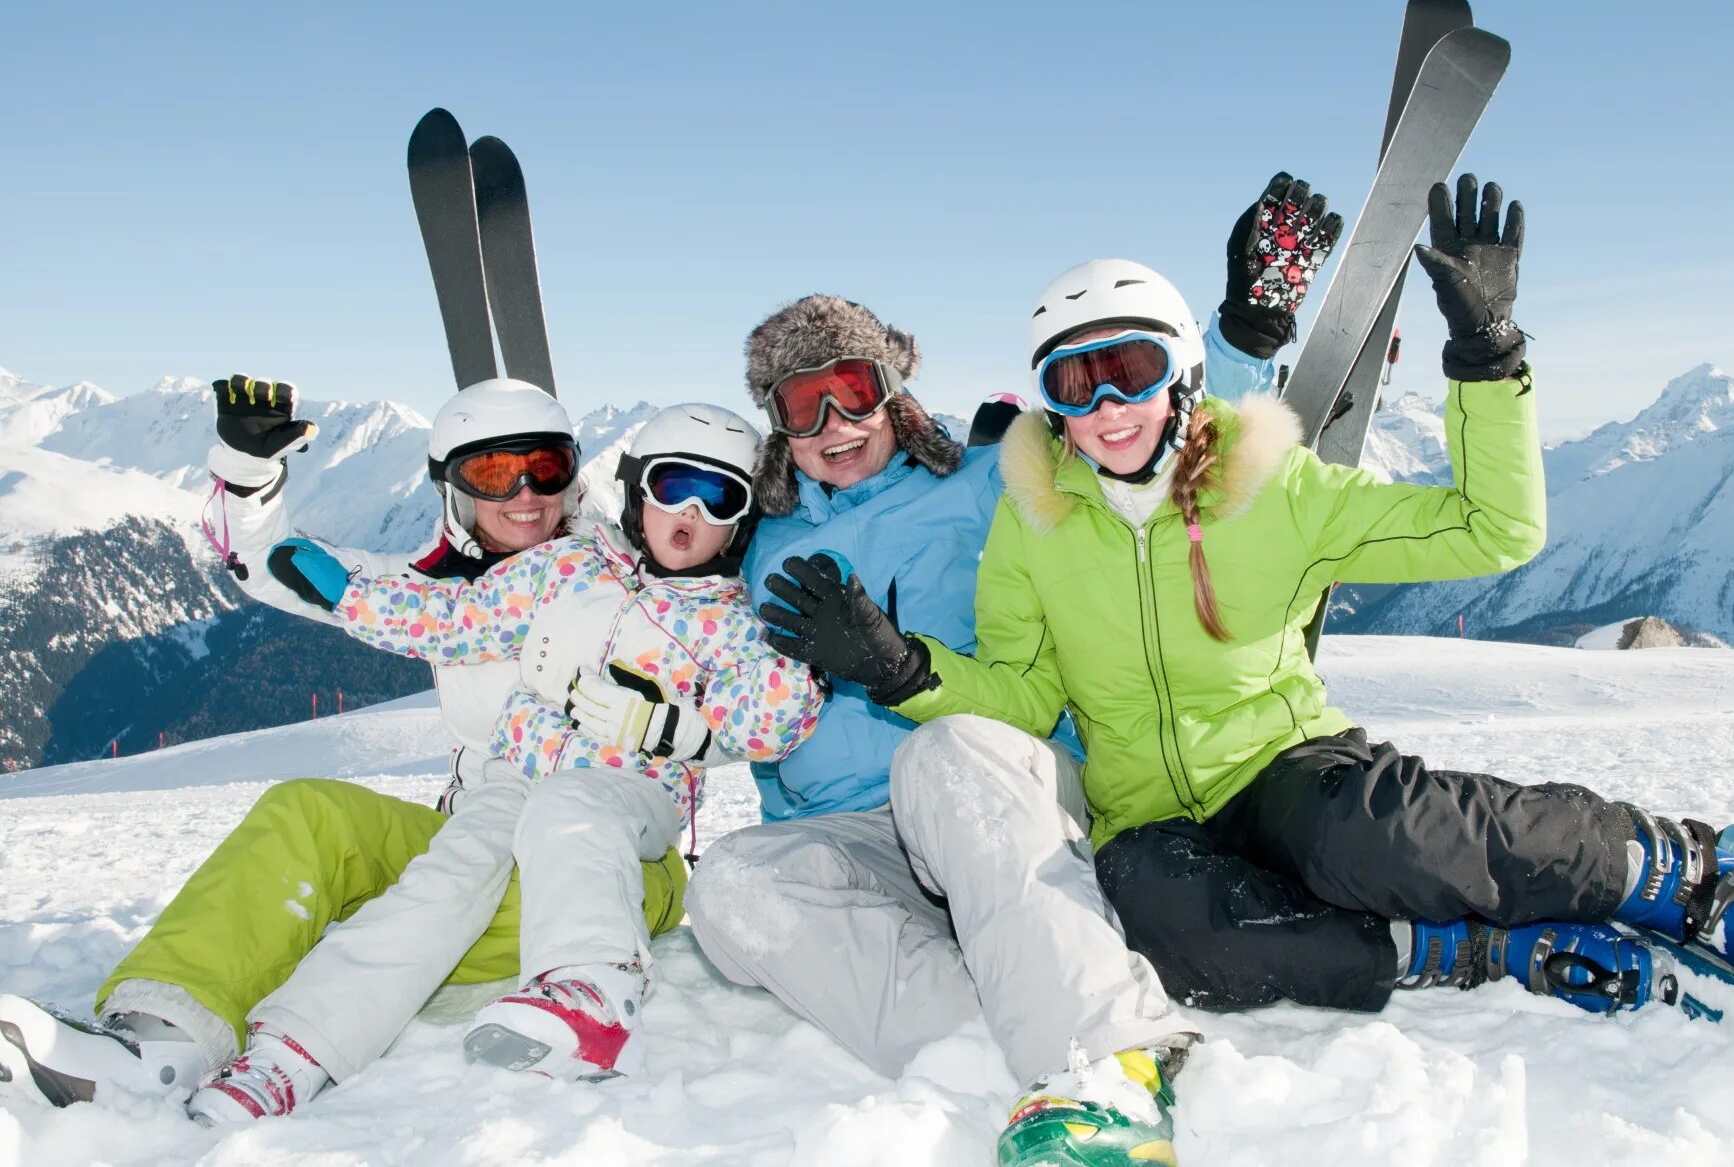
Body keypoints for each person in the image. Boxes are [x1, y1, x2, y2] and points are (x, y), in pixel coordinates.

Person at [758, 178, 1734, 1166]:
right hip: (1147, 810)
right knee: (1171, 931)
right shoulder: (1035, 522)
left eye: (1130, 369)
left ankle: (1691, 872)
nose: (1106, 407)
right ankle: (1473, 952)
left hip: (1280, 760)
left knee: (1372, 841)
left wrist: (1486, 357)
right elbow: (1022, 695)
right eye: (1074, 383)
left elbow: (1493, 531)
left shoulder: (1276, 489)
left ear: (1184, 376)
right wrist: (908, 671)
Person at [686, 177, 1339, 1167]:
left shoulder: (991, 481)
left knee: (943, 752)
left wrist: (1247, 326)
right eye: (802, 404)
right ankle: (1014, 1049)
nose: (834, 423)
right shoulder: (763, 548)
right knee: (733, 885)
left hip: (1000, 791)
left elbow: (1144, 442)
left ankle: (1108, 1061)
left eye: (853, 390)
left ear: (891, 391)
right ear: (778, 424)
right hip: (862, 842)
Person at [0, 377, 687, 1108]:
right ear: (452, 487)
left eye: (545, 466)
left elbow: (721, 569)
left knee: (460, 878)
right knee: (307, 814)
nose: (525, 491)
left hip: (607, 860)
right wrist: (248, 474)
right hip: (475, 833)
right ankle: (155, 1044)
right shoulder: (433, 590)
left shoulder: (634, 568)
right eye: (492, 471)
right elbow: (279, 568)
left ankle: (302, 1041)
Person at [178, 403, 820, 1122]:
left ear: (742, 518)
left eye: (720, 497)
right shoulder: (570, 565)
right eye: (674, 485)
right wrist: (350, 593)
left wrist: (681, 713)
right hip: (516, 772)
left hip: (628, 792)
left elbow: (770, 720)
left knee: (570, 810)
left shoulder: (732, 618)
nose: (692, 511)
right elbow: (459, 620)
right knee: (444, 878)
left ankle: (590, 988)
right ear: (639, 491)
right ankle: (290, 1054)